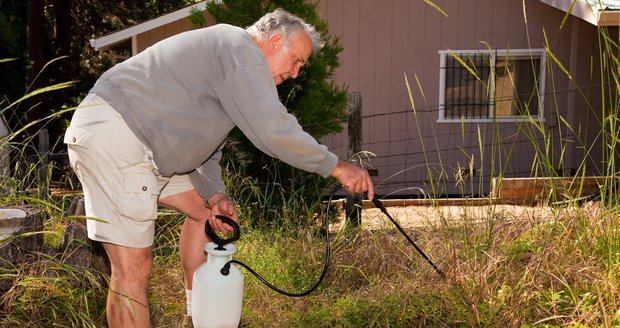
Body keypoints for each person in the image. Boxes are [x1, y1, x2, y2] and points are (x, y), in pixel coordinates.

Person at [64, 8, 374, 327]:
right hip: (117, 132)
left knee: (208, 215)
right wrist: (337, 167)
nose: (296, 73)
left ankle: (196, 316)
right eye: (296, 60)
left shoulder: (230, 62)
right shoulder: (240, 50)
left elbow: (207, 147)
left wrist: (214, 194)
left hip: (144, 143)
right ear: (274, 40)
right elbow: (272, 129)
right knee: (132, 268)